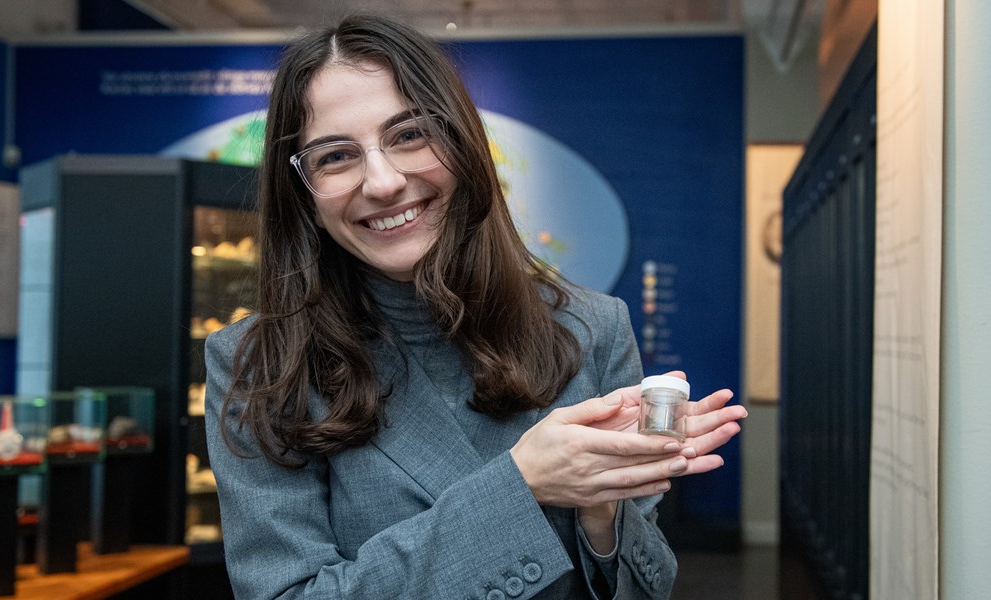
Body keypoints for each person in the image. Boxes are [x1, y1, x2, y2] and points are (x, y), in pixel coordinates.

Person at [205, 14, 747, 600]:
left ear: (462, 145)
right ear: (304, 194)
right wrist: (521, 486)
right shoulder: (258, 362)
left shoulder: (592, 329)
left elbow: (647, 588)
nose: (384, 182)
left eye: (410, 134)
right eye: (335, 157)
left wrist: (603, 511)